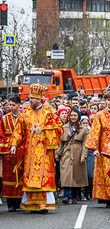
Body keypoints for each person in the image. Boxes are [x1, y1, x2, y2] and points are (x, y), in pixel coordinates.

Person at [10, 83, 63, 213]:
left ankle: (44, 204)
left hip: (44, 152)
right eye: (30, 97)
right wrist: (14, 144)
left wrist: (51, 131)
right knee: (31, 177)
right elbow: (19, 131)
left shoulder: (49, 112)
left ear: (39, 99)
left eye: (32, 98)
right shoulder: (25, 113)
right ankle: (32, 204)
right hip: (30, 153)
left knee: (43, 178)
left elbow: (60, 127)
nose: (30, 100)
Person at [85, 81, 110, 208]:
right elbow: (95, 131)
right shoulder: (99, 115)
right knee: (105, 172)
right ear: (105, 101)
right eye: (108, 100)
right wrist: (94, 148)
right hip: (103, 147)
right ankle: (108, 197)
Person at [55, 108, 88, 204]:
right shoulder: (64, 127)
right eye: (71, 115)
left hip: (77, 152)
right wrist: (57, 154)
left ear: (78, 116)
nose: (73, 117)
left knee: (77, 175)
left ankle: (74, 196)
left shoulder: (83, 129)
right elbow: (59, 142)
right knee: (66, 174)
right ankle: (66, 196)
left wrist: (84, 155)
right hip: (66, 152)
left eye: (75, 115)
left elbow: (84, 143)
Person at [0, 96, 24, 212]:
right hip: (8, 152)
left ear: (19, 105)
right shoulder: (4, 118)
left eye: (13, 105)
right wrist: (6, 146)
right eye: (10, 105)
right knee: (9, 176)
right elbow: (1, 134)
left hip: (21, 150)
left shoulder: (24, 117)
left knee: (21, 176)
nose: (10, 107)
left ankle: (21, 202)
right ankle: (11, 204)